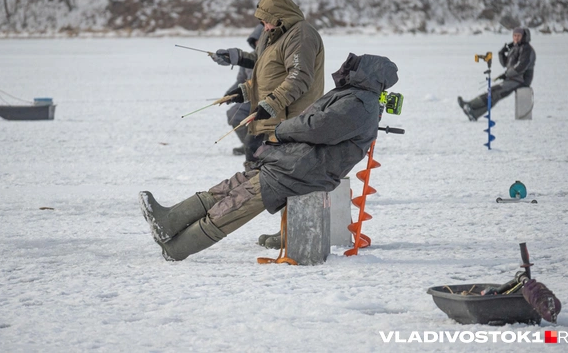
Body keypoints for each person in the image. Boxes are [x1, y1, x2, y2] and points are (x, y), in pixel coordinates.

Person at [140, 54, 399, 261]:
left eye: (354, 66)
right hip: (295, 161)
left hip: (302, 169)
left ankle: (178, 248)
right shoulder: (353, 96)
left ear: (367, 73)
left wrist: (280, 130)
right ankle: (168, 222)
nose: (345, 68)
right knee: (230, 188)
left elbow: (318, 126)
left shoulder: (358, 104)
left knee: (238, 202)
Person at [210, 0, 326, 248]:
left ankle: (295, 232)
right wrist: (237, 60)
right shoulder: (272, 33)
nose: (262, 26)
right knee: (279, 175)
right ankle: (288, 230)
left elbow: (299, 76)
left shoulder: (302, 35)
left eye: (265, 20)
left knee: (291, 177)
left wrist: (271, 104)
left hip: (296, 118)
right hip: (276, 118)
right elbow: (266, 65)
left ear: (280, 16)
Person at [458, 27, 536, 121]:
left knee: (495, 91)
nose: (516, 38)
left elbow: (521, 66)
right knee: (496, 95)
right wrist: (502, 52)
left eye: (519, 36)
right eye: (514, 36)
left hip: (521, 80)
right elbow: (506, 64)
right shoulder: (516, 48)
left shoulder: (526, 49)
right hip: (513, 78)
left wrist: (507, 74)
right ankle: (475, 113)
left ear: (525, 37)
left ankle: (470, 105)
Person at [224, 24, 264, 157]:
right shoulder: (248, 58)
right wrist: (230, 94)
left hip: (268, 100)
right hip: (249, 99)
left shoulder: (275, 58)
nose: (258, 44)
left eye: (261, 40)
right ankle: (247, 144)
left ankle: (263, 146)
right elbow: (240, 81)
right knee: (234, 114)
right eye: (256, 42)